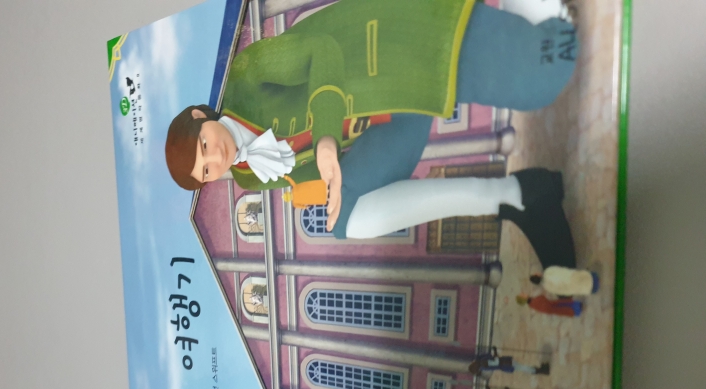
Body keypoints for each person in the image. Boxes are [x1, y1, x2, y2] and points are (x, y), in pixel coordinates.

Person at [165, 0, 579, 268]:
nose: (216, 158)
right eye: (207, 170)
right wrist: (325, 187)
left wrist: (326, 139)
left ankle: (543, 11)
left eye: (204, 145)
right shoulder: (247, 175)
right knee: (349, 219)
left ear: (202, 116)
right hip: (382, 126)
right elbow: (303, 172)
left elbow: (320, 51)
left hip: (385, 56)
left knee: (545, 74)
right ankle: (518, 195)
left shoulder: (244, 76)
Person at [468, 348, 550, 377]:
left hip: (505, 363)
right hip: (506, 364)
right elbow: (495, 362)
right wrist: (495, 353)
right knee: (523, 367)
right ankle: (540, 370)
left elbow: (490, 357)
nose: (474, 362)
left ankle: (539, 370)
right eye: (473, 364)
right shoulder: (483, 364)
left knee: (522, 367)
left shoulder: (481, 362)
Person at [530, 267, 599, 296]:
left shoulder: (547, 288)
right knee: (587, 277)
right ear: (537, 275)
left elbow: (562, 292)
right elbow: (562, 271)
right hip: (574, 278)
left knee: (581, 288)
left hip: (586, 289)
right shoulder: (548, 272)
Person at [516, 293, 583, 317]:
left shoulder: (531, 304)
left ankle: (576, 308)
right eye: (522, 295)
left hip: (550, 306)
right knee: (563, 307)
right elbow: (542, 299)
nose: (523, 293)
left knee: (563, 306)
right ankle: (577, 308)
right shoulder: (534, 301)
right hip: (551, 306)